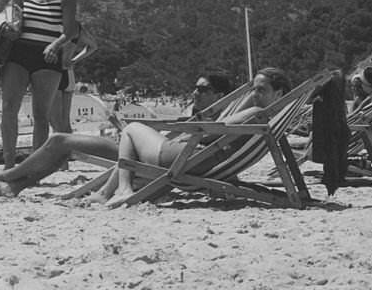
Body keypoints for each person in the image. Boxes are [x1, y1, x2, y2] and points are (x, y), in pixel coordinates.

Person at [0, 74, 237, 199]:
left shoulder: (220, 123)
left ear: (220, 94)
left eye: (204, 89)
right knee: (61, 143)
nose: (195, 93)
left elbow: (200, 153)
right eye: (195, 87)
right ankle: (13, 186)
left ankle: (10, 177)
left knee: (59, 142)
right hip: (135, 149)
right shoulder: (203, 119)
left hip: (142, 157)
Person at [94, 67, 291, 207]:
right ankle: (104, 192)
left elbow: (211, 131)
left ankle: (122, 189)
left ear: (278, 93)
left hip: (188, 160)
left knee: (132, 128)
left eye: (261, 90)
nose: (255, 95)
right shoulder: (271, 119)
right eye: (254, 89)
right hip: (206, 162)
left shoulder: (255, 112)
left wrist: (186, 134)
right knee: (135, 136)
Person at [0, 0, 78, 168]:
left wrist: (55, 45)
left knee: (41, 115)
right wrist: (9, 29)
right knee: (8, 107)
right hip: (19, 54)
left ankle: (33, 167)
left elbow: (70, 31)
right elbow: (9, 15)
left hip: (48, 57)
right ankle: (8, 164)